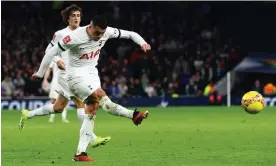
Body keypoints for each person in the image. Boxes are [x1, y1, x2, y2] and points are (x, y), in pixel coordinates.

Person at [26, 15, 151, 162]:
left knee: (92, 109)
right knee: (99, 95)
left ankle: (80, 153)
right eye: (97, 33)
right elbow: (51, 51)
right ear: (90, 27)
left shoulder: (107, 32)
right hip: (74, 76)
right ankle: (133, 115)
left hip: (92, 74)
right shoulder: (75, 37)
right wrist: (41, 73)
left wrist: (142, 43)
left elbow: (131, 34)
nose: (99, 36)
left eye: (102, 33)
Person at [19, 4, 111, 148]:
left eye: (78, 16)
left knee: (58, 107)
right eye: (73, 16)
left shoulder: (87, 33)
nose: (76, 18)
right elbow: (49, 50)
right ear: (68, 19)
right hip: (66, 75)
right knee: (83, 102)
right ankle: (92, 139)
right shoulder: (61, 34)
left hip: (79, 74)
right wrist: (57, 60)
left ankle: (27, 114)